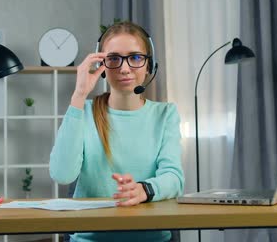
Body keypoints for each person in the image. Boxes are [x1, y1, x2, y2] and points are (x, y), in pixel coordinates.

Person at [49, 21, 184, 242]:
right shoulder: (83, 111)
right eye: (113, 59)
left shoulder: (165, 114)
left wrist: (143, 190)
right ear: (102, 65)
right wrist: (79, 95)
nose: (124, 68)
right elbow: (62, 174)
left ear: (150, 65)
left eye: (135, 57)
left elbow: (174, 178)